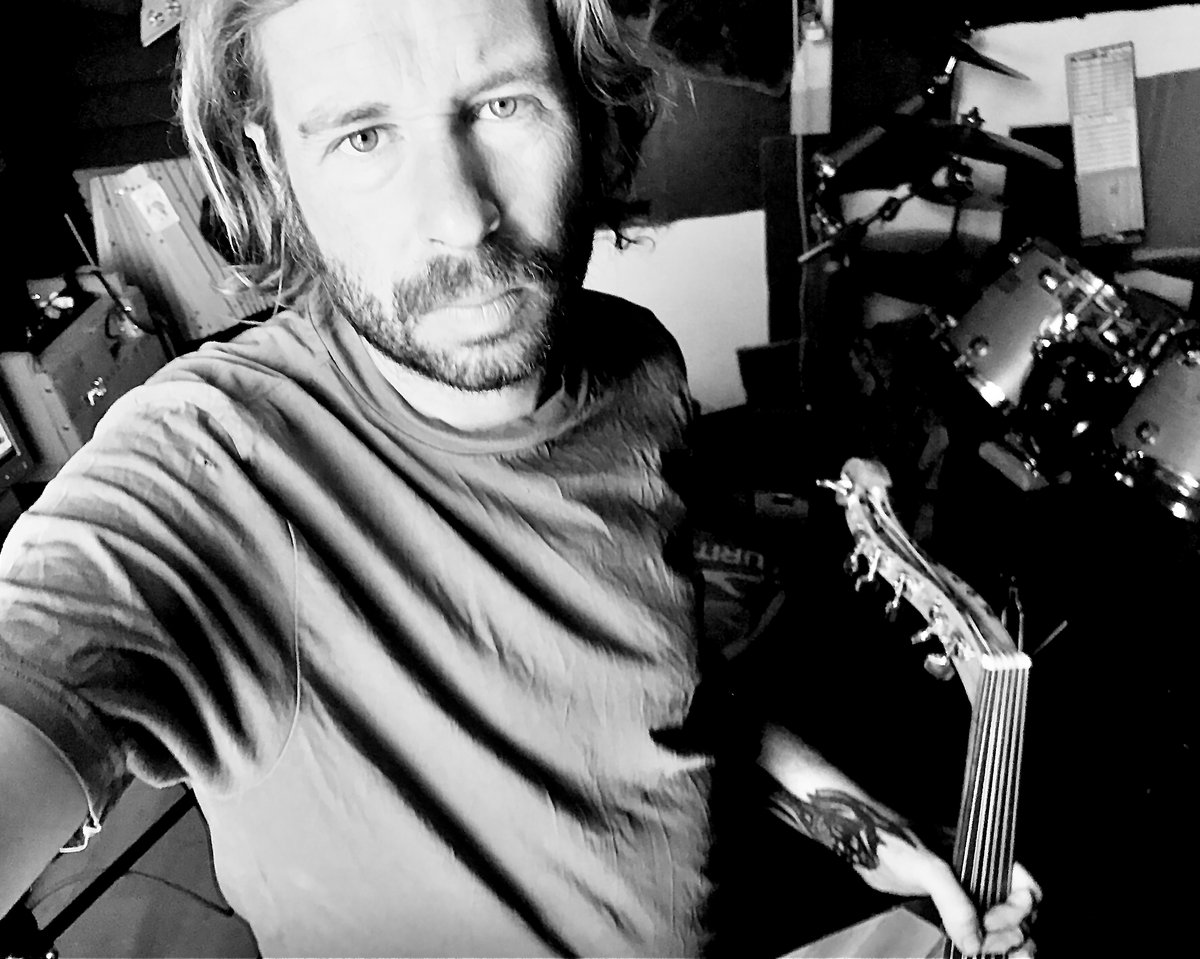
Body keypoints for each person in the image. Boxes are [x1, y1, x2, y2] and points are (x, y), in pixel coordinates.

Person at [0, 1, 1040, 955]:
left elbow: (663, 687)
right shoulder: (205, 468)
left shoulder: (637, 366)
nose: (461, 216)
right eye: (363, 135)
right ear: (275, 162)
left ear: (585, 105)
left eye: (502, 104)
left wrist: (864, 831)